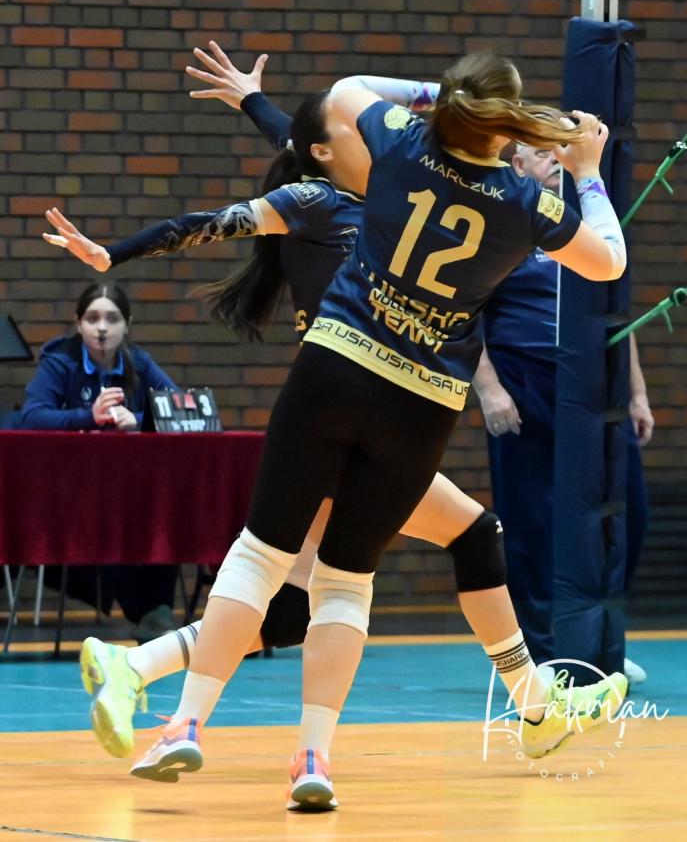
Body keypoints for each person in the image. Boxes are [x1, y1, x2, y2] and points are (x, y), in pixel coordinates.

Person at [45, 52, 629, 810]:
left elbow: (343, 98)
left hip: (337, 369)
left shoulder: (395, 148)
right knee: (346, 582)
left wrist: (431, 96)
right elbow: (607, 262)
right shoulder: (521, 202)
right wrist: (587, 171)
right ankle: (315, 751)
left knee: (266, 564)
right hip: (420, 401)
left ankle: (179, 717)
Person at [472, 143, 653, 685]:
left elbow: (615, 313)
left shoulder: (586, 227)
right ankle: (543, 653)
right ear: (517, 166)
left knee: (626, 509)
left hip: (596, 388)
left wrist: (636, 392)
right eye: (541, 152)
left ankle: (602, 643)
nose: (555, 158)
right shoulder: (501, 225)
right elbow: (463, 316)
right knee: (531, 519)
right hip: (525, 382)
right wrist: (489, 390)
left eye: (561, 151)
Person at [19, 282, 180, 641]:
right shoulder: (61, 361)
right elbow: (32, 417)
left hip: (131, 487)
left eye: (112, 318)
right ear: (79, 323)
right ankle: (150, 615)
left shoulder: (139, 362)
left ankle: (158, 612)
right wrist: (89, 417)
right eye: (93, 319)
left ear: (127, 324)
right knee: (101, 518)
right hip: (69, 491)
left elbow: (180, 406)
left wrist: (139, 419)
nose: (102, 328)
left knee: (165, 510)